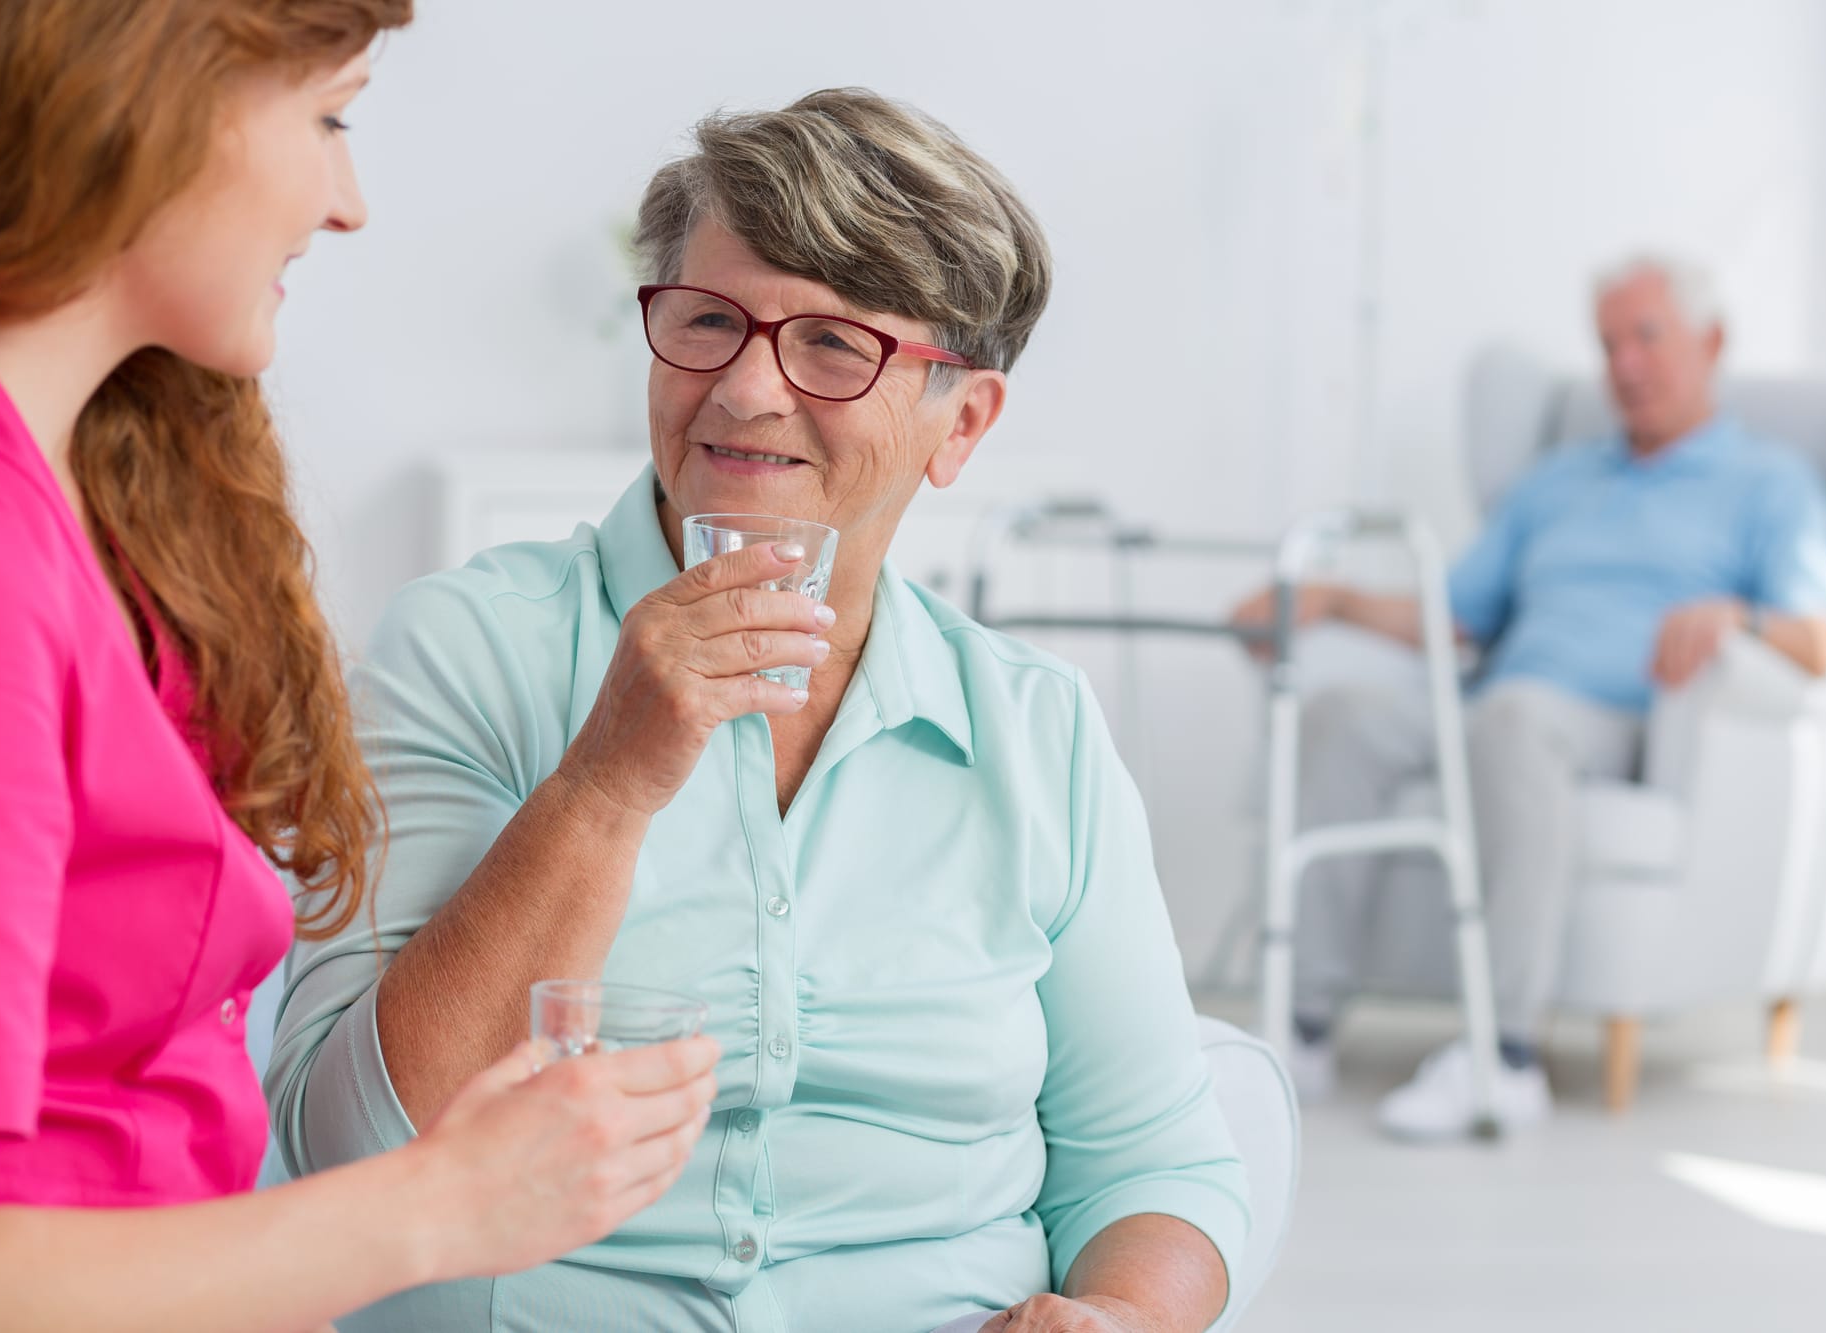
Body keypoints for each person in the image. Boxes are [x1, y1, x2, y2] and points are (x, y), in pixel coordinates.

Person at [267, 89, 1251, 1332]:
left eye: (834, 344)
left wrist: (1116, 1316)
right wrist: (608, 782)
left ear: (963, 422)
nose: (739, 391)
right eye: (707, 321)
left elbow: (1154, 1168)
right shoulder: (470, 647)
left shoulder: (1035, 729)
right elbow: (351, 1147)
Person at [0, 5, 718, 1329]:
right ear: (143, 99)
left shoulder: (77, 513)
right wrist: (447, 1204)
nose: (347, 204)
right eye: (328, 116)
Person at [1229, 254, 1826, 1139]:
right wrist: (1325, 597)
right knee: (1345, 720)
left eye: (1647, 336)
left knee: (1511, 724)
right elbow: (1455, 614)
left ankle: (1506, 1054)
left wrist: (1735, 617)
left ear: (1711, 342)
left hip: (1616, 718)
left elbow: (1822, 639)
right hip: (1493, 696)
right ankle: (1300, 1029)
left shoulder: (1767, 484)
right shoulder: (1559, 479)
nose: (1625, 364)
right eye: (1608, 344)